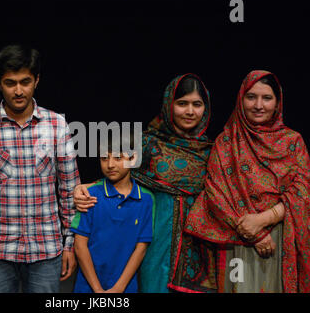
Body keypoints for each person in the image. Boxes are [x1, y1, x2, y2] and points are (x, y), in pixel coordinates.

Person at [74, 74, 218, 293]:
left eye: (197, 104)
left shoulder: (212, 150)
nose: (190, 111)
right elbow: (118, 172)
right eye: (182, 103)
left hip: (199, 246)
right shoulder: (147, 143)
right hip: (154, 243)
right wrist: (84, 187)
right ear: (169, 104)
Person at [184, 70, 310, 293]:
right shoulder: (226, 142)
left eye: (267, 98)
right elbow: (215, 193)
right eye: (251, 97)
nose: (258, 105)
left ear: (278, 102)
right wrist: (252, 233)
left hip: (281, 239)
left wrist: (263, 220)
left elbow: (303, 192)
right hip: (236, 238)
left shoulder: (293, 142)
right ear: (240, 99)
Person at [0, 44, 80, 293]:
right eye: (10, 83)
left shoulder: (56, 125)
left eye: (25, 82)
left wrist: (69, 245)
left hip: (46, 248)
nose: (18, 91)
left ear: (37, 80)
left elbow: (69, 190)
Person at [71, 130, 153, 293]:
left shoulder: (145, 199)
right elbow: (80, 246)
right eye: (104, 158)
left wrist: (119, 287)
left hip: (125, 286)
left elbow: (141, 247)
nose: (110, 165)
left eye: (117, 158)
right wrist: (98, 290)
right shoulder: (90, 194)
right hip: (88, 286)